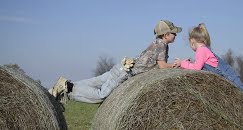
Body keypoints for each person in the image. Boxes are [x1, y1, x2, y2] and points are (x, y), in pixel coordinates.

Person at [48, 20, 182, 104]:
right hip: (125, 73)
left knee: (95, 82)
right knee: (101, 95)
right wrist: (176, 65)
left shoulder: (156, 43)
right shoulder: (162, 45)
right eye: (173, 33)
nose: (175, 35)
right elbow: (162, 66)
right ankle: (68, 88)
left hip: (122, 67)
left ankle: (64, 85)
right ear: (166, 35)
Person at [174, 23, 243, 114]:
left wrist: (183, 63)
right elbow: (199, 67)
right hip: (228, 77)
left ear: (192, 41)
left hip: (229, 78)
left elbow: (197, 68)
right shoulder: (205, 49)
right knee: (242, 101)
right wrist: (188, 64)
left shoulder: (201, 50)